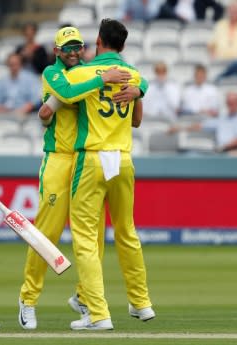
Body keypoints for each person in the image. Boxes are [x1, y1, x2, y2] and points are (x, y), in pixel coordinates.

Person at [17, 26, 145, 330]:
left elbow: (135, 77)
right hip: (60, 160)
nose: (75, 52)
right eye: (68, 48)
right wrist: (102, 80)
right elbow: (67, 93)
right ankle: (29, 299)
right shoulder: (54, 73)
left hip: (89, 160)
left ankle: (86, 298)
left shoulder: (87, 71)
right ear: (58, 51)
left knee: (93, 237)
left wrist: (139, 89)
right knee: (46, 233)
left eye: (79, 46)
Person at [170, 92, 237, 153]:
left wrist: (223, 148)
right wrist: (179, 128)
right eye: (228, 102)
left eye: (233, 102)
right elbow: (199, 126)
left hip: (235, 150)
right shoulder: (222, 119)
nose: (230, 104)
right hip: (221, 152)